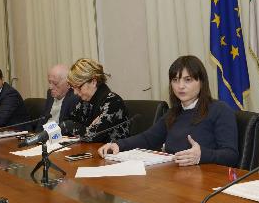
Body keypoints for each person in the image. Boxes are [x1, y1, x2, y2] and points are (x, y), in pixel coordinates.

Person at [97, 55, 239, 167]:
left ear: (201, 82)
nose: (180, 86)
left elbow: (231, 156)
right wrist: (117, 144)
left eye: (187, 80)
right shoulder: (174, 113)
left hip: (207, 182)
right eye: (175, 80)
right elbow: (148, 138)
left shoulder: (220, 110)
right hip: (177, 179)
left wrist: (202, 155)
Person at [64, 58, 130, 143]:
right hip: (92, 151)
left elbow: (92, 136)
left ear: (93, 82)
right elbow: (68, 122)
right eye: (73, 87)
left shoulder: (112, 101)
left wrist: (71, 126)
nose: (75, 92)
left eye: (79, 87)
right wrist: (80, 127)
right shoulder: (85, 101)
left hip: (114, 153)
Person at [35, 64, 80, 131]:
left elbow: (68, 128)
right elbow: (43, 119)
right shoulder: (50, 93)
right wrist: (36, 135)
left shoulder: (74, 97)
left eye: (55, 83)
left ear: (68, 83)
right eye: (49, 82)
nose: (50, 87)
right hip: (45, 135)